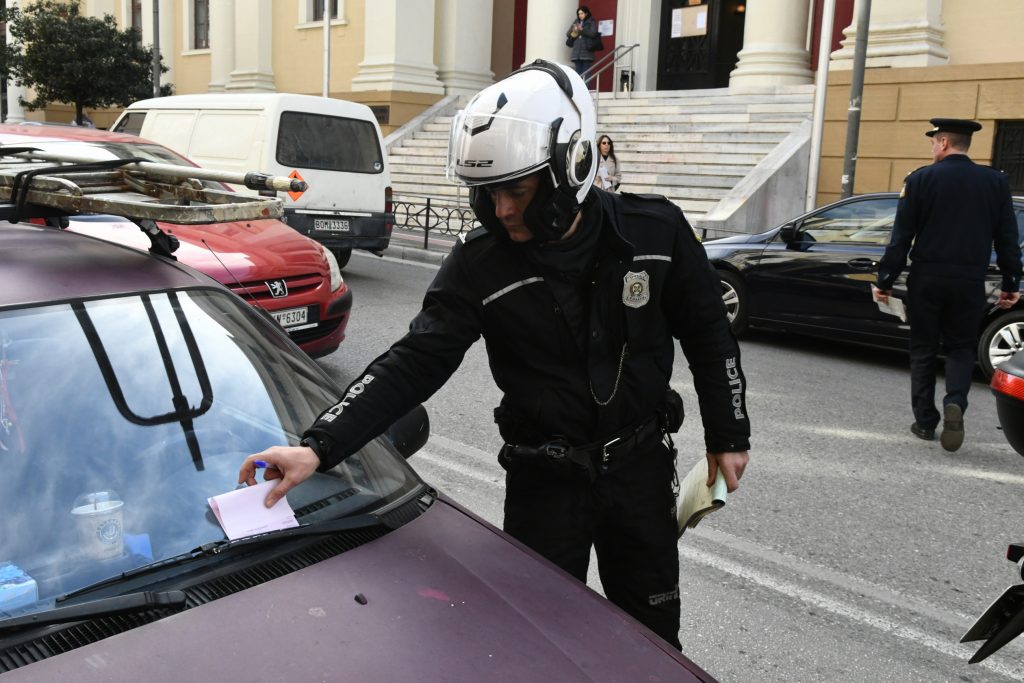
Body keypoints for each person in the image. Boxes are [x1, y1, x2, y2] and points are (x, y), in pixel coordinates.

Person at [238, 59, 751, 650]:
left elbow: (711, 335)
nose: (502, 210)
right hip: (544, 484)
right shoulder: (480, 264)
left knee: (654, 639)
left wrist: (728, 434)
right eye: (489, 193)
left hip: (639, 472)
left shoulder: (656, 234)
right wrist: (317, 445)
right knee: (532, 642)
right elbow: (415, 360)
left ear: (572, 167)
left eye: (518, 191)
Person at [873, 117, 1022, 452]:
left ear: (942, 142)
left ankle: (925, 422)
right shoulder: (995, 182)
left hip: (927, 278)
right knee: (960, 347)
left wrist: (885, 279)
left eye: (933, 143)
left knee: (924, 348)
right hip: (969, 280)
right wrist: (1012, 281)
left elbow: (901, 238)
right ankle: (956, 402)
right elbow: (1007, 239)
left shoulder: (920, 179)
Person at [566, 6, 599, 76]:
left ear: (586, 13)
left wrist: (582, 30)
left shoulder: (591, 21)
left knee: (586, 73)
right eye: (579, 14)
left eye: (582, 13)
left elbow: (593, 34)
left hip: (587, 52)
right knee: (577, 74)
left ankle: (585, 87)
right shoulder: (576, 21)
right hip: (576, 53)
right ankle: (579, 87)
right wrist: (573, 30)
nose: (580, 15)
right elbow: (568, 34)